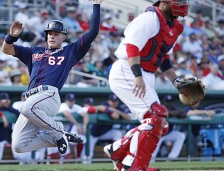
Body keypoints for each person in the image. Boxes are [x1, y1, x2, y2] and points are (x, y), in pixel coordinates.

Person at [2, 0, 102, 157]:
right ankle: (58, 136)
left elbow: (93, 32)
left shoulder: (70, 52)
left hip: (49, 96)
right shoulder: (33, 52)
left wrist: (96, 5)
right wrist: (11, 37)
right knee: (19, 145)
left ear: (63, 37)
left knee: (25, 107)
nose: (52, 36)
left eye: (56, 34)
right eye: (49, 34)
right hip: (32, 99)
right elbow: (6, 49)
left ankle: (58, 132)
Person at [104, 0, 189, 170]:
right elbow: (132, 47)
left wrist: (177, 82)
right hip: (128, 70)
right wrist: (137, 76)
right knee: (156, 117)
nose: (181, 3)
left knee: (160, 124)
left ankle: (119, 152)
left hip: (146, 74)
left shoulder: (174, 26)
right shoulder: (149, 18)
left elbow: (163, 58)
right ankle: (133, 164)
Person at [81, 94, 131, 162]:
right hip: (95, 133)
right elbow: (101, 108)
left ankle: (118, 155)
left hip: (106, 132)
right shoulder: (105, 104)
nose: (114, 103)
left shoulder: (118, 107)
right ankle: (84, 164)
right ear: (109, 101)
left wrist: (115, 110)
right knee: (87, 153)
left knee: (117, 133)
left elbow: (128, 118)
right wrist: (110, 111)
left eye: (115, 101)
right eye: (112, 101)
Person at [151, 95, 186, 162]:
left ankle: (172, 157)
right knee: (152, 155)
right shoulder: (160, 108)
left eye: (171, 102)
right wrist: (175, 113)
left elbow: (183, 115)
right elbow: (165, 113)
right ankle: (151, 162)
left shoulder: (174, 108)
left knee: (180, 136)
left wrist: (176, 112)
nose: (169, 103)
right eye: (167, 102)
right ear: (164, 102)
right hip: (158, 134)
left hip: (168, 133)